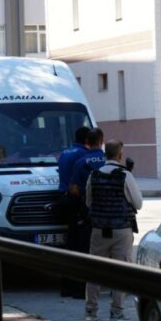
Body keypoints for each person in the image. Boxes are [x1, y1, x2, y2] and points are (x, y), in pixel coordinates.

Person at [84, 139, 142, 321]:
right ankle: (116, 313)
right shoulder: (125, 175)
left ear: (104, 154)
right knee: (121, 271)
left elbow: (88, 202)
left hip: (99, 229)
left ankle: (91, 312)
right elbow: (138, 203)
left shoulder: (93, 175)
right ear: (120, 155)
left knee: (94, 271)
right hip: (121, 229)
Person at [65, 128, 106, 299]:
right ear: (101, 141)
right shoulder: (110, 161)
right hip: (113, 216)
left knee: (88, 249)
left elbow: (73, 189)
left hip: (89, 213)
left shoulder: (81, 161)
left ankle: (87, 290)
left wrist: (84, 194)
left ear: (87, 142)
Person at [57, 127, 90, 297]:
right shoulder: (83, 155)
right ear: (87, 140)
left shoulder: (65, 152)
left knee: (70, 242)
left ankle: (66, 286)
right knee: (81, 245)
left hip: (64, 199)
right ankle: (78, 288)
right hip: (76, 201)